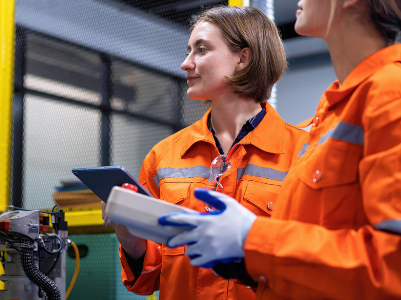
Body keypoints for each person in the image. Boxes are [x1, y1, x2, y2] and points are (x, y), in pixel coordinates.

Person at [159, 0, 401, 299]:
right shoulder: (330, 116)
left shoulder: (398, 98)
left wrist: (252, 237)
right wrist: (248, 259)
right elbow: (320, 264)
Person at [103, 6, 308, 300]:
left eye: (201, 49)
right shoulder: (164, 156)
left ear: (243, 58)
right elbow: (149, 279)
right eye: (189, 51)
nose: (186, 63)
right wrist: (128, 235)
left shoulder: (303, 153)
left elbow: (313, 265)